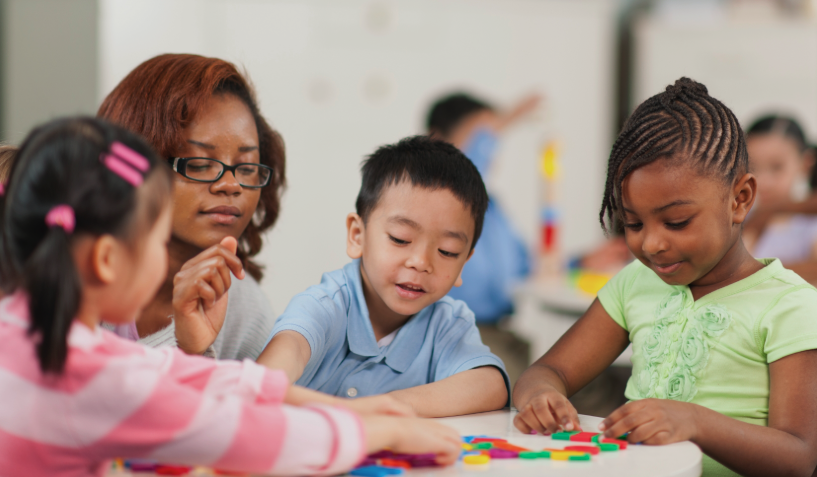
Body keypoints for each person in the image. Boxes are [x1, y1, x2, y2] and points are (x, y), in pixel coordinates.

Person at [0, 117, 462, 476]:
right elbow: (244, 438)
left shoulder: (27, 332)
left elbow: (175, 373)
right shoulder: (87, 375)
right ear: (106, 260)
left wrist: (345, 408)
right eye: (155, 245)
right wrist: (379, 430)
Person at [512, 79, 817, 477]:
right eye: (633, 223)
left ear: (739, 199)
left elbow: (798, 456)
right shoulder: (635, 283)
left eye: (677, 221)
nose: (653, 243)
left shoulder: (790, 305)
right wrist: (541, 395)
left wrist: (696, 422)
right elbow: (548, 371)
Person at [257, 136, 510, 417]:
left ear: (464, 263)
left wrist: (390, 406)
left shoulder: (448, 323)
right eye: (400, 239)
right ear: (357, 236)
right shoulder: (326, 304)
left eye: (447, 251)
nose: (421, 262)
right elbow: (280, 362)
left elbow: (490, 384)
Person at [98, 54, 283, 360]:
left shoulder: (244, 310)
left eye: (247, 167)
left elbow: (253, 403)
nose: (231, 185)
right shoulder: (69, 268)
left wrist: (195, 350)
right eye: (199, 164)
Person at [426, 92, 533, 383]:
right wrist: (509, 117)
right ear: (437, 141)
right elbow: (467, 166)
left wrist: (579, 261)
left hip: (503, 332)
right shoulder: (435, 196)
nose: (490, 145)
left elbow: (526, 267)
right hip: (458, 335)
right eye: (481, 135)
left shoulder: (493, 208)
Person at [743, 115, 817, 282]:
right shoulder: (739, 220)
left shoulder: (810, 224)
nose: (763, 181)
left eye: (777, 167)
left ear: (805, 163)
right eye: (753, 167)